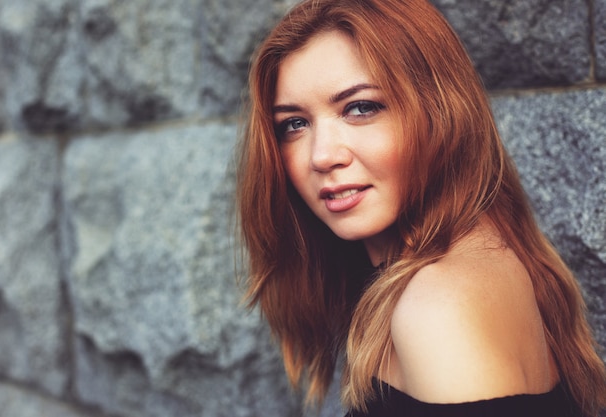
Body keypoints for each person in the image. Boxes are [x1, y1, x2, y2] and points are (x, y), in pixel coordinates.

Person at [235, 0, 606, 416]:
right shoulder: (484, 253)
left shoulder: (437, 306)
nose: (321, 156)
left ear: (440, 113)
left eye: (361, 107)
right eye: (294, 124)